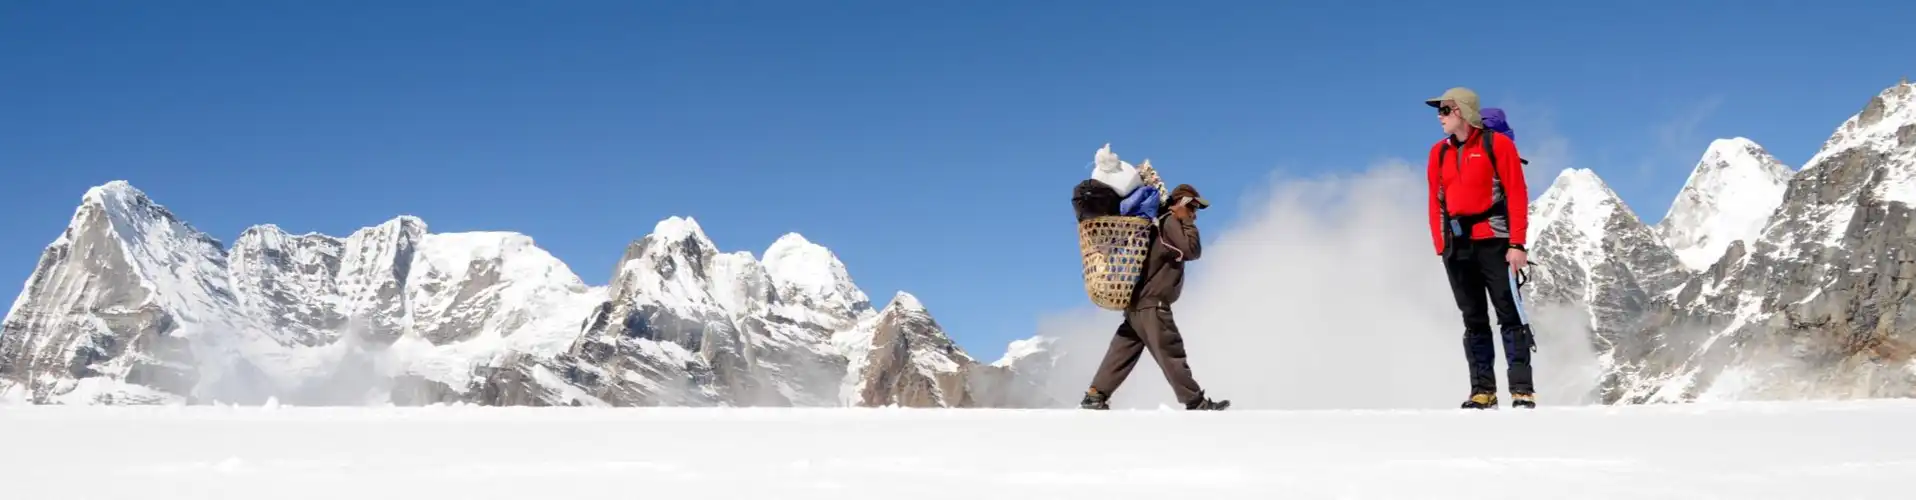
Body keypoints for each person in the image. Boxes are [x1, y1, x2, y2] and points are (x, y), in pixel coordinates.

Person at [1424, 87, 1536, 409]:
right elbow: (1435, 199)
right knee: (1473, 318)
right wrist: (1441, 244)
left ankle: (1522, 391)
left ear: (1461, 110)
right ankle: (1482, 391)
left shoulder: (1497, 145)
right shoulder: (1438, 153)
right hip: (1457, 246)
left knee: (1509, 314)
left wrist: (1517, 243)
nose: (1439, 116)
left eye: (1444, 110)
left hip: (1495, 241)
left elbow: (1516, 193)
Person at [1080, 184, 1230, 411]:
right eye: (1193, 208)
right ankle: (1196, 402)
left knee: (1121, 353)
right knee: (1171, 351)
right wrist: (1184, 221)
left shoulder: (1154, 225)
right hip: (1153, 305)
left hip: (1136, 305)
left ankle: (1095, 396)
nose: (1195, 214)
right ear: (1181, 204)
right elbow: (1191, 250)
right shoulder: (1170, 222)